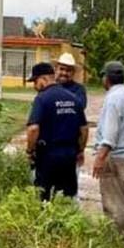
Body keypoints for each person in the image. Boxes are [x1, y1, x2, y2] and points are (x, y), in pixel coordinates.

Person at [91, 61, 124, 240]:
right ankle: (121, 244)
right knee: (122, 202)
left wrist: (99, 158)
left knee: (114, 207)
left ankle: (118, 246)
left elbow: (110, 135)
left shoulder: (113, 99)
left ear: (107, 78)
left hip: (115, 159)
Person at [26, 62, 88, 201]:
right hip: (69, 156)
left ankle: (48, 222)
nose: (35, 86)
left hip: (48, 156)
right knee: (66, 197)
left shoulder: (42, 98)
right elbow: (84, 129)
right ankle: (65, 221)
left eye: (35, 81)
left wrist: (30, 151)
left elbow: (33, 128)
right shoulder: (73, 98)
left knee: (45, 197)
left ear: (43, 79)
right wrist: (80, 150)